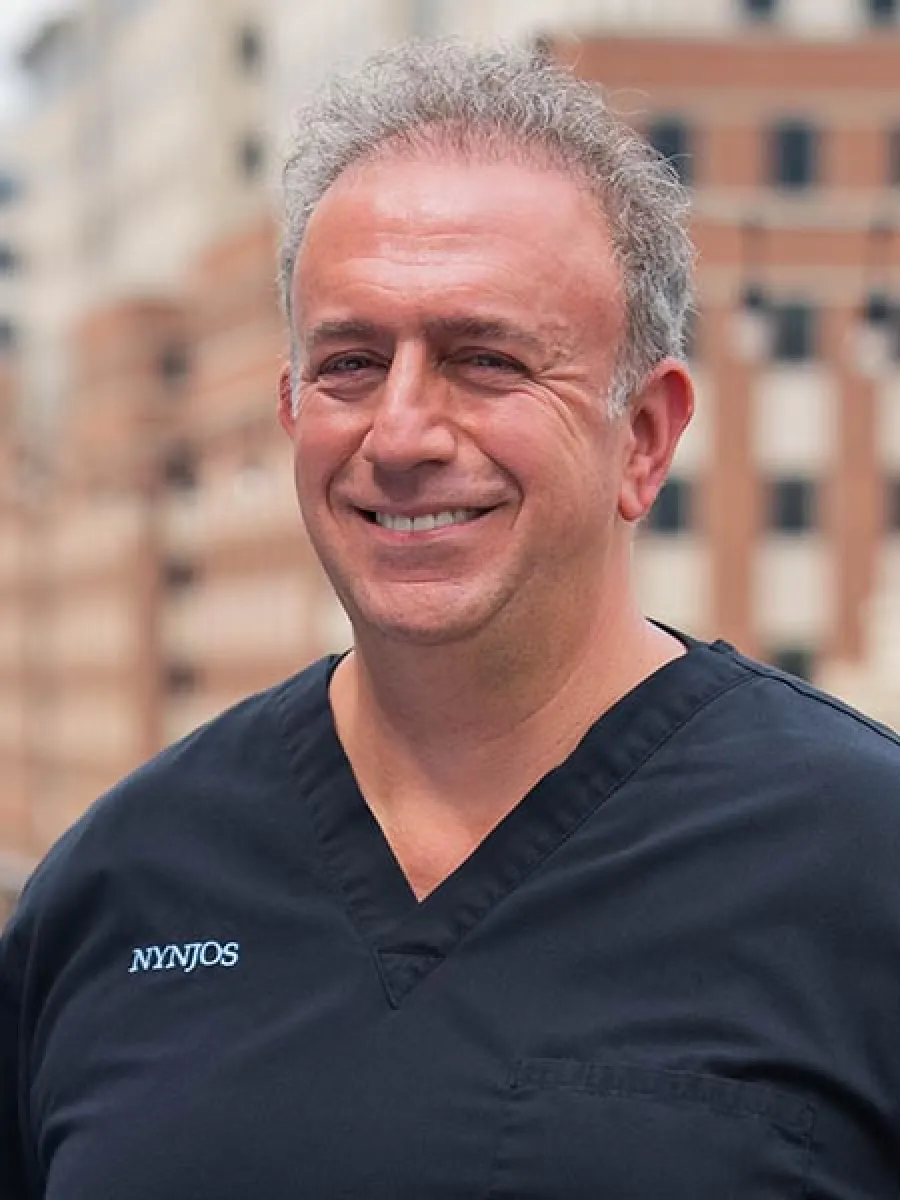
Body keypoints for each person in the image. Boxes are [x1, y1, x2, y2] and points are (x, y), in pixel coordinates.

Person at [2, 37, 900, 1199]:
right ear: (290, 411)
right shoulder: (117, 885)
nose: (403, 433)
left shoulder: (861, 866)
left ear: (645, 435)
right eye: (352, 362)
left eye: (486, 360)